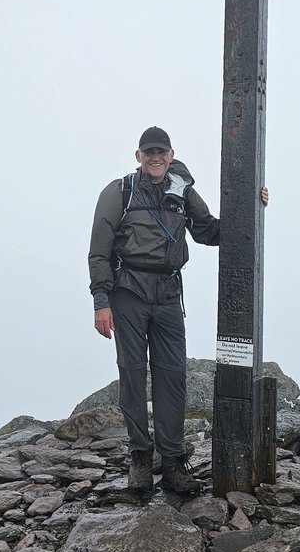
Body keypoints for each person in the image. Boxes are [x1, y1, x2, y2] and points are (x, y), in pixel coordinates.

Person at [89, 126, 267, 495]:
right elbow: (99, 251)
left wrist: (253, 205)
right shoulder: (118, 192)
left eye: (162, 152)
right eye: (149, 152)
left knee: (173, 377)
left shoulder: (182, 191)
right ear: (138, 156)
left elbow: (210, 232)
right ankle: (140, 458)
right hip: (128, 294)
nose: (156, 157)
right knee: (133, 374)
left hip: (169, 295)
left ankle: (172, 462)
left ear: (171, 155)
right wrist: (101, 302)